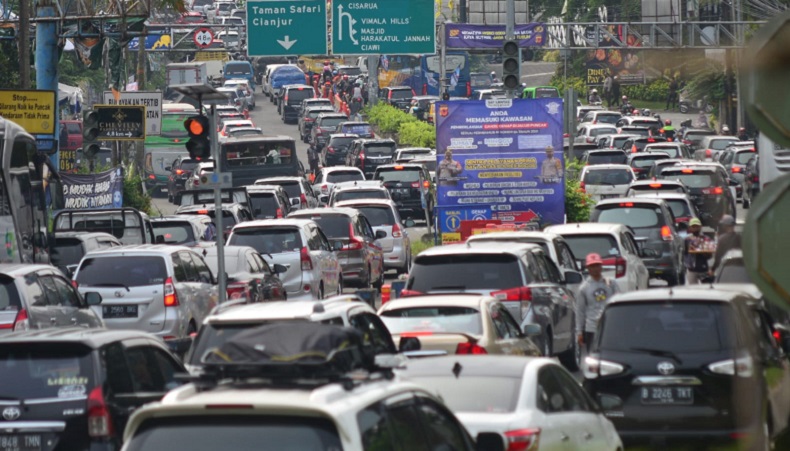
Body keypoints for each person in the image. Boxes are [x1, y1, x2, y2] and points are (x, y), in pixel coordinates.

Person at [576, 253, 619, 351]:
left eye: (597, 265)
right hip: (592, 328)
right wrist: (579, 332)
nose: (595, 268)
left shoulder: (610, 283)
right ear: (588, 268)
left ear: (601, 266)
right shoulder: (584, 288)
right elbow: (580, 311)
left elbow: (618, 301)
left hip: (609, 326)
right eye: (592, 266)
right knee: (593, 355)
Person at [684, 217, 712, 284]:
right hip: (691, 269)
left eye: (697, 226)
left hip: (703, 268)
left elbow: (710, 255)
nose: (695, 228)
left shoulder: (706, 239)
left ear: (700, 227)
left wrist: (704, 251)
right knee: (693, 288)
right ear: (690, 228)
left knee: (706, 287)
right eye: (693, 227)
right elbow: (685, 253)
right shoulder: (687, 239)